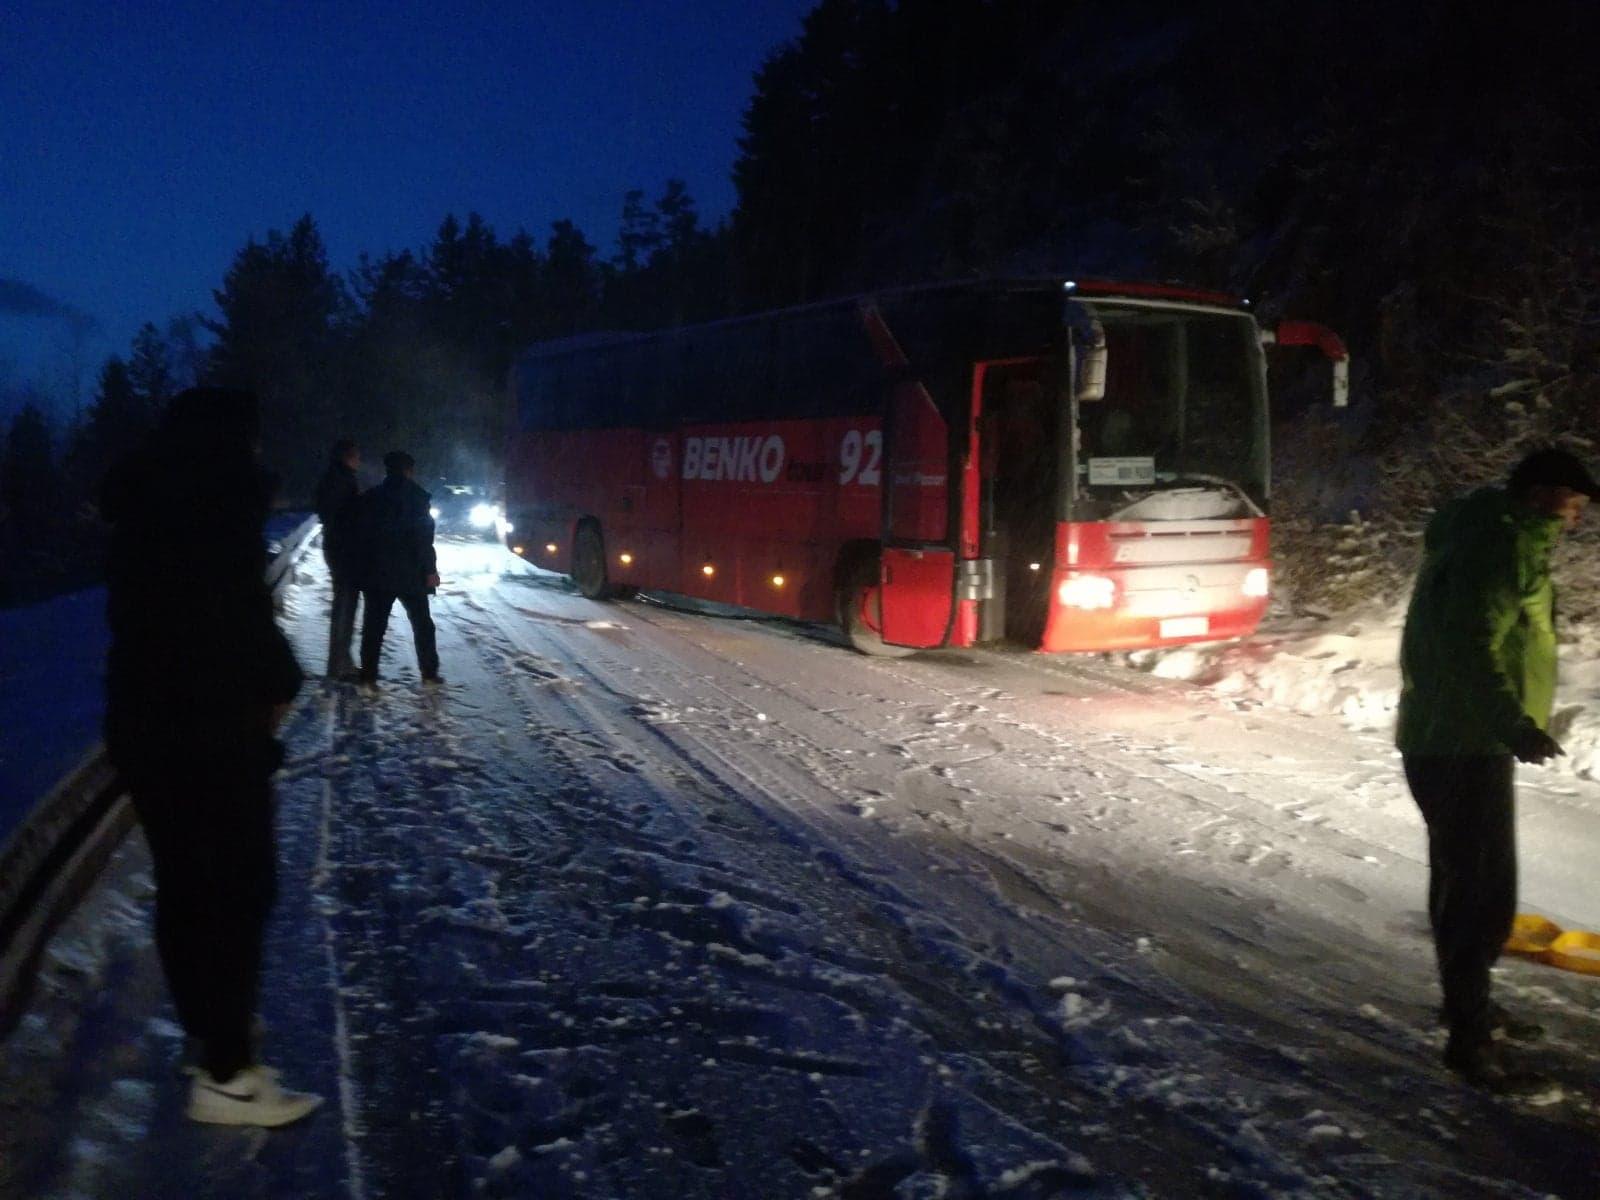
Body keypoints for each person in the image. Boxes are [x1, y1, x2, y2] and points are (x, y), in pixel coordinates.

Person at [101, 386, 322, 1127]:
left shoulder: (145, 508)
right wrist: (281, 677)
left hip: (146, 723)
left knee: (187, 887)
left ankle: (209, 1036)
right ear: (234, 439)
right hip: (207, 729)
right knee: (239, 888)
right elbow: (229, 616)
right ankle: (228, 1074)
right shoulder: (216, 505)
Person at [1396, 447, 1596, 1084]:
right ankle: (1469, 1037)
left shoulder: (1495, 536)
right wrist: (1512, 723)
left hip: (1461, 738)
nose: (1578, 516)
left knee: (1472, 885)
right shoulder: (1498, 547)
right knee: (1477, 893)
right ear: (1542, 495)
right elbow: (1469, 645)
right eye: (1573, 501)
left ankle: (1473, 1009)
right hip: (1463, 741)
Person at [357, 450, 441, 687]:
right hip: (411, 573)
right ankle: (429, 673)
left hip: (378, 573)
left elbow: (362, 535)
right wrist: (430, 570)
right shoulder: (417, 498)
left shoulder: (372, 497)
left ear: (388, 470)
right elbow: (424, 539)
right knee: (422, 625)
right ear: (409, 470)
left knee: (374, 626)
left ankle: (368, 675)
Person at [313, 438, 363, 679]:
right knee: (345, 605)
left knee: (345, 604)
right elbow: (340, 515)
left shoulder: (335, 478)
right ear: (346, 457)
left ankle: (341, 661)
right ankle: (339, 665)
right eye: (356, 455)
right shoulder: (340, 480)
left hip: (338, 548)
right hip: (343, 550)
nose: (359, 459)